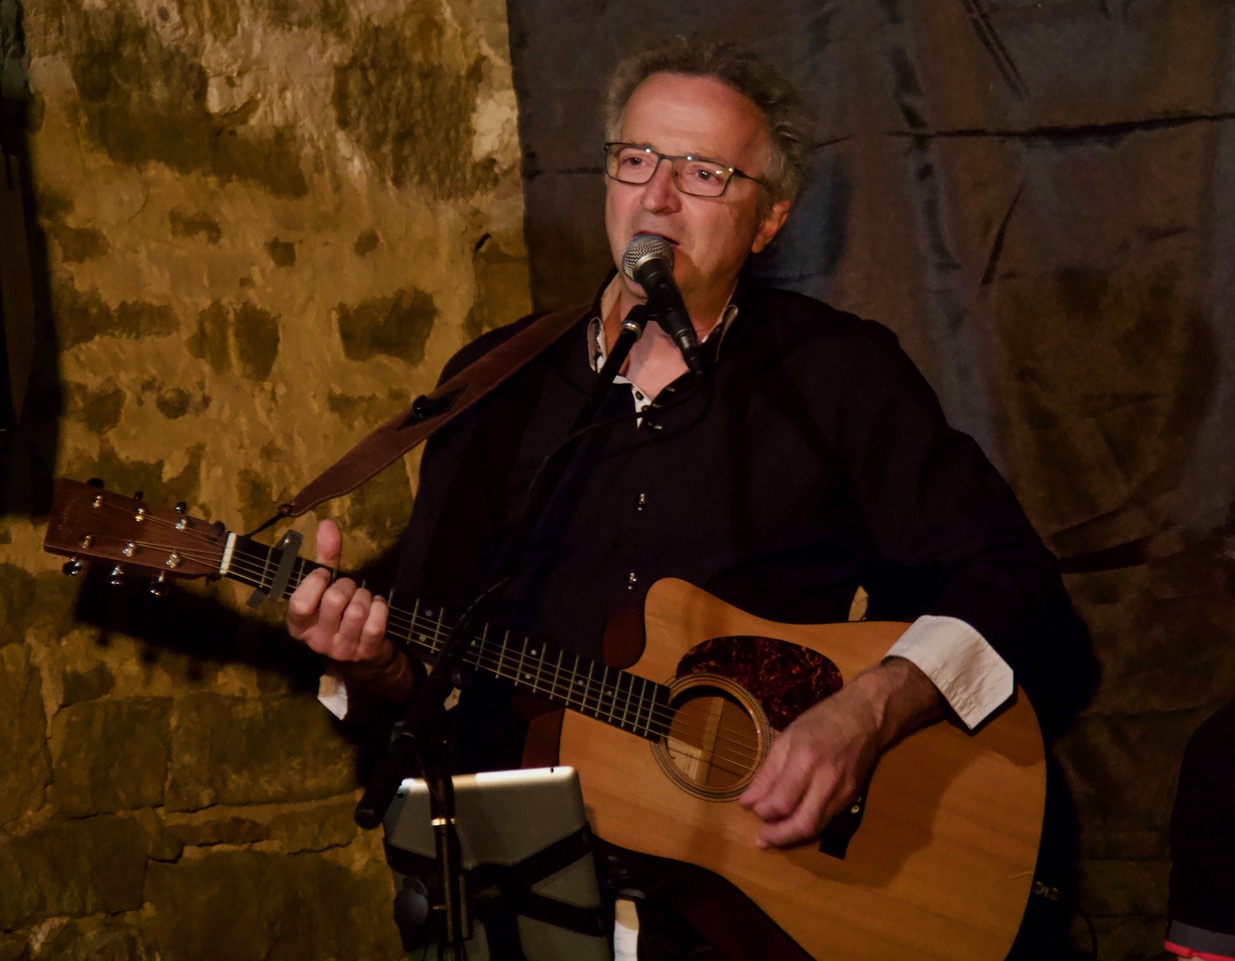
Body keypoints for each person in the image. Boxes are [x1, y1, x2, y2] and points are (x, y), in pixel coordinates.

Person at [288, 38, 1085, 958]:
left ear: (768, 219)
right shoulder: (495, 384)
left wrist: (865, 713)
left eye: (703, 174)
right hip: (522, 886)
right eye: (635, 160)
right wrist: (368, 663)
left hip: (760, 885)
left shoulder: (835, 375)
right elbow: (430, 657)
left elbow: (1011, 577)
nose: (655, 197)